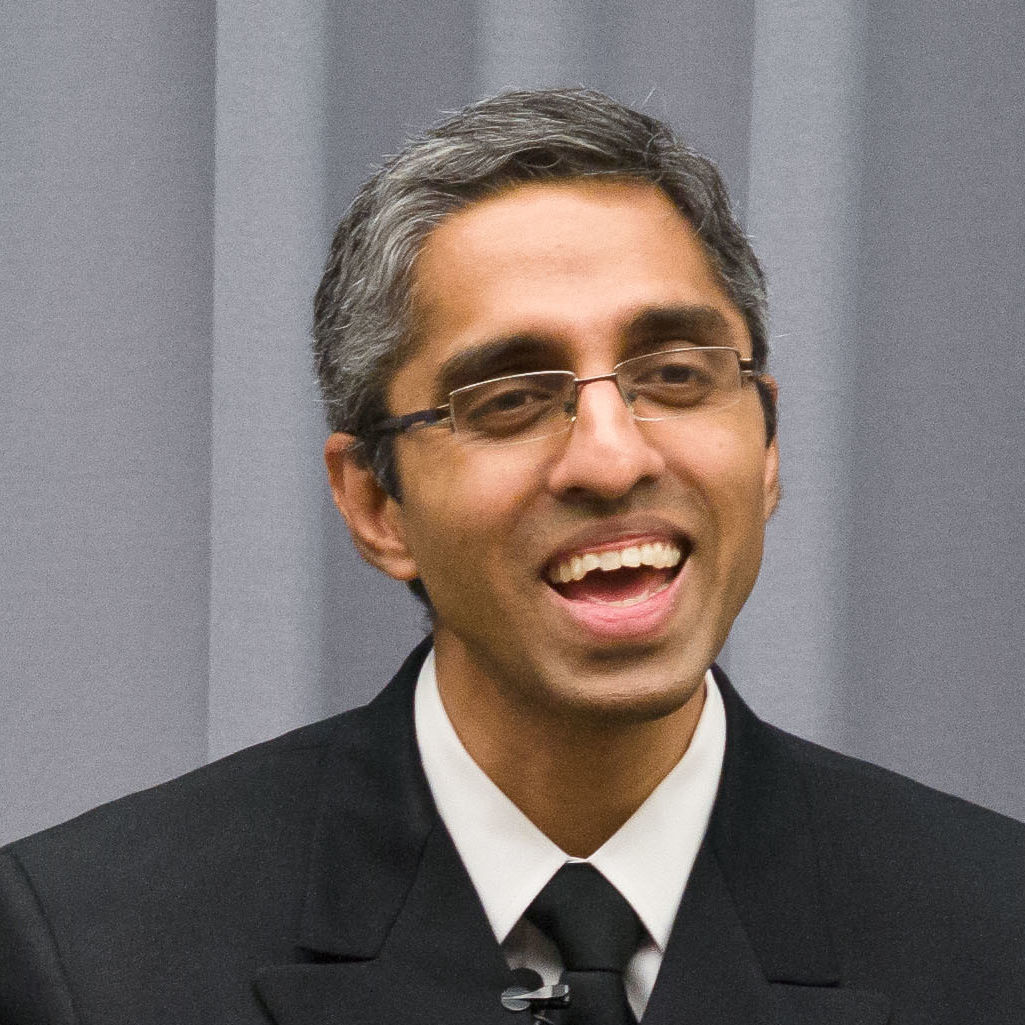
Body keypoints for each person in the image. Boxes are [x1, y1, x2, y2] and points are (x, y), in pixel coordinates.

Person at [1, 88, 1022, 1025]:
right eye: (510, 399)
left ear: (764, 444)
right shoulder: (91, 953)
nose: (612, 455)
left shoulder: (991, 931)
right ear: (374, 501)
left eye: (672, 373)